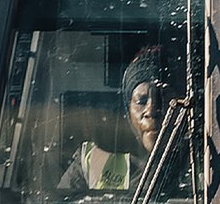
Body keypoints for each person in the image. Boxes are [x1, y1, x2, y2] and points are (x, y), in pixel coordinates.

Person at [61, 43, 176, 192]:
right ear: (128, 111)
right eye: (141, 101)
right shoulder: (93, 160)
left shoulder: (203, 158)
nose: (152, 110)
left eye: (163, 99)